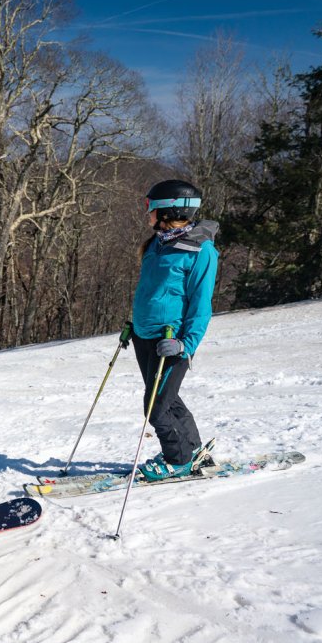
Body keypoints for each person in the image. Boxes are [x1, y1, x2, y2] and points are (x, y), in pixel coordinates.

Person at [131, 179, 219, 481]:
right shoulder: (158, 243)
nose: (147, 213)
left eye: (149, 207)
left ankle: (177, 459)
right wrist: (134, 322)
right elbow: (151, 291)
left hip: (171, 341)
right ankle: (191, 448)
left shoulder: (200, 251)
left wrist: (186, 345)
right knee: (169, 399)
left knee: (155, 408)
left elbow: (201, 305)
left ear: (167, 209)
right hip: (144, 336)